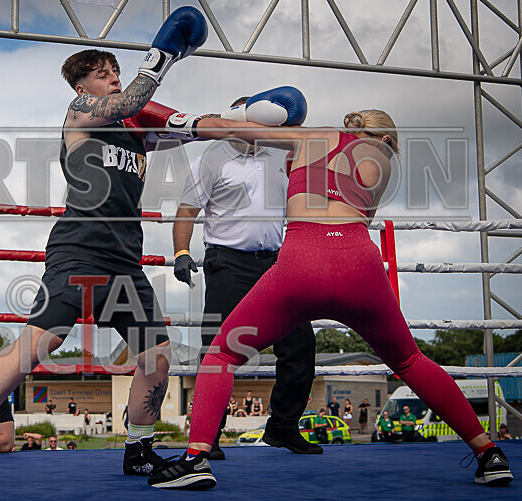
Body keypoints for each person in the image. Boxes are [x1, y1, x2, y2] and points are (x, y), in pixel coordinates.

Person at [148, 108, 513, 488]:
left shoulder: (314, 137)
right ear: (386, 140)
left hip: (303, 260)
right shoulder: (384, 165)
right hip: (360, 262)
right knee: (410, 360)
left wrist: (180, 119)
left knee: (223, 354)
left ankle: (196, 459)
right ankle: (489, 453)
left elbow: (228, 129)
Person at [0, 7, 209, 488]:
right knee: (41, 343)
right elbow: (129, 102)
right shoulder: (82, 113)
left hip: (124, 259)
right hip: (79, 250)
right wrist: (163, 58)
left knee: (157, 353)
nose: (114, 79)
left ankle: (139, 448)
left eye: (116, 73)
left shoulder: (137, 133)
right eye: (104, 75)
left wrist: (249, 119)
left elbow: (189, 129)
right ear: (83, 86)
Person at [172, 99, 318, 457]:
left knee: (300, 345)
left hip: (275, 262)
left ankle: (283, 427)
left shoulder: (278, 152)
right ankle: (210, 435)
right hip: (228, 265)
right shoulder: (212, 157)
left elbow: (312, 141)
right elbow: (187, 210)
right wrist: (181, 252)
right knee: (218, 349)